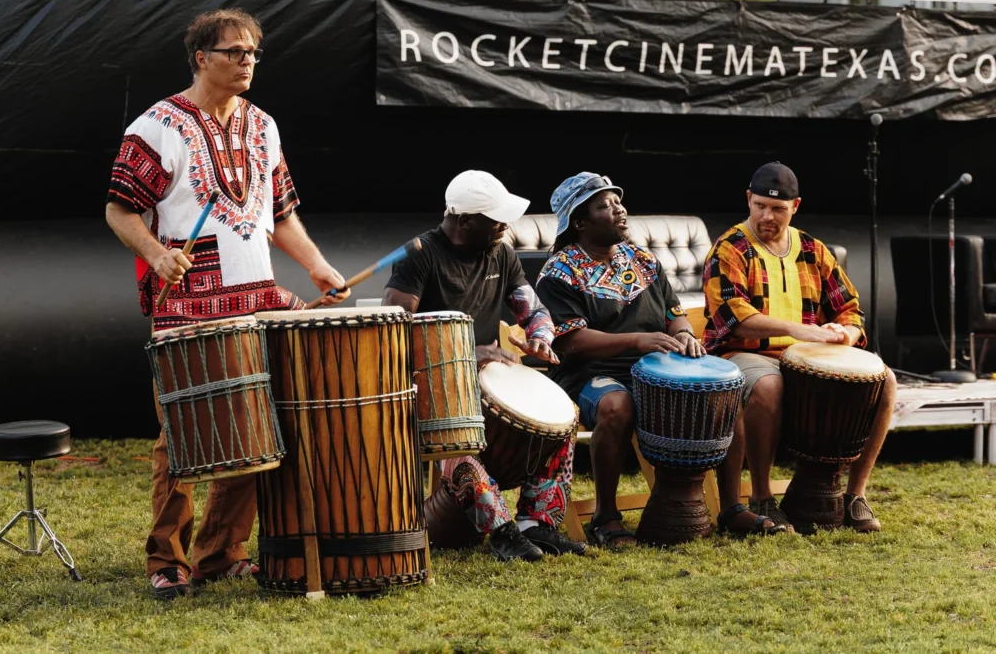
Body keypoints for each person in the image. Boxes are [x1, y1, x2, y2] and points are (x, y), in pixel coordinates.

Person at [105, 8, 349, 599]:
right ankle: (167, 559)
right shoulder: (157, 125)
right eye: (234, 52)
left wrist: (316, 265)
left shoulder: (264, 126)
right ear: (201, 57)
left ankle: (221, 551)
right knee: (181, 435)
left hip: (258, 295)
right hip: (188, 298)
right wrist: (156, 253)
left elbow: (280, 215)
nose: (246, 62)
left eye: (253, 53)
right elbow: (119, 209)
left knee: (257, 422)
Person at [533, 172, 770, 548]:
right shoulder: (559, 272)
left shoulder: (641, 259)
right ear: (579, 222)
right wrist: (638, 340)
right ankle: (605, 517)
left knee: (724, 396)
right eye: (604, 206)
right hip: (590, 375)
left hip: (656, 371)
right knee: (617, 405)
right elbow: (571, 341)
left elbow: (674, 312)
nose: (619, 209)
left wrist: (684, 335)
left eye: (618, 202)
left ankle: (731, 508)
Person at [381, 170, 585, 562]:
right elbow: (396, 332)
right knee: (459, 433)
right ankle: (503, 532)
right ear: (464, 220)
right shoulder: (418, 256)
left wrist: (540, 334)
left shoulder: (502, 253)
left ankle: (536, 525)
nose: (506, 226)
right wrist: (469, 353)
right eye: (496, 219)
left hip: (488, 379)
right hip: (435, 383)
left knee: (565, 421)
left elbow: (533, 307)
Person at [702, 161, 897, 533]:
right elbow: (736, 317)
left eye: (777, 209)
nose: (767, 216)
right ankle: (761, 497)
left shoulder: (812, 249)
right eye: (759, 205)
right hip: (743, 353)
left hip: (805, 356)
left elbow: (850, 310)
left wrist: (846, 336)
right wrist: (803, 331)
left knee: (883, 380)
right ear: (748, 199)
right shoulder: (729, 248)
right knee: (769, 385)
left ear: (795, 207)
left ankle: (855, 496)